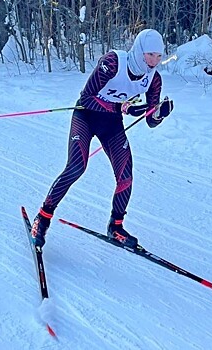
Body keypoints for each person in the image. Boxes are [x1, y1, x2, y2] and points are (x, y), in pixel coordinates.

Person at [31, 29, 174, 249]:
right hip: (86, 116)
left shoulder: (153, 80)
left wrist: (158, 114)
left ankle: (115, 227)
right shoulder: (114, 62)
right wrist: (123, 106)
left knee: (126, 175)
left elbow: (150, 121)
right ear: (139, 50)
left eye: (159, 56)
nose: (154, 61)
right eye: (150, 55)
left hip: (112, 124)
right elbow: (87, 97)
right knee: (76, 167)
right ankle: (42, 218)